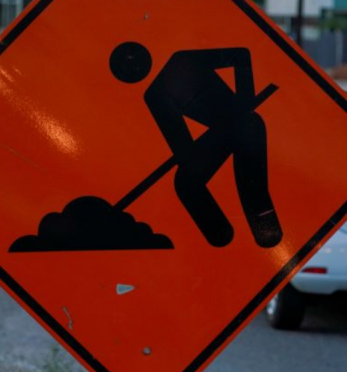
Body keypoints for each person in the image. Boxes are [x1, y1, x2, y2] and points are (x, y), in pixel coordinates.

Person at [109, 41, 282, 248]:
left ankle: (267, 234)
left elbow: (241, 54)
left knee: (252, 187)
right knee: (186, 181)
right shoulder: (154, 95)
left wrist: (245, 101)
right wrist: (189, 161)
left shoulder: (182, 60)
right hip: (224, 132)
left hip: (246, 124)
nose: (131, 69)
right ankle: (221, 237)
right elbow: (183, 148)